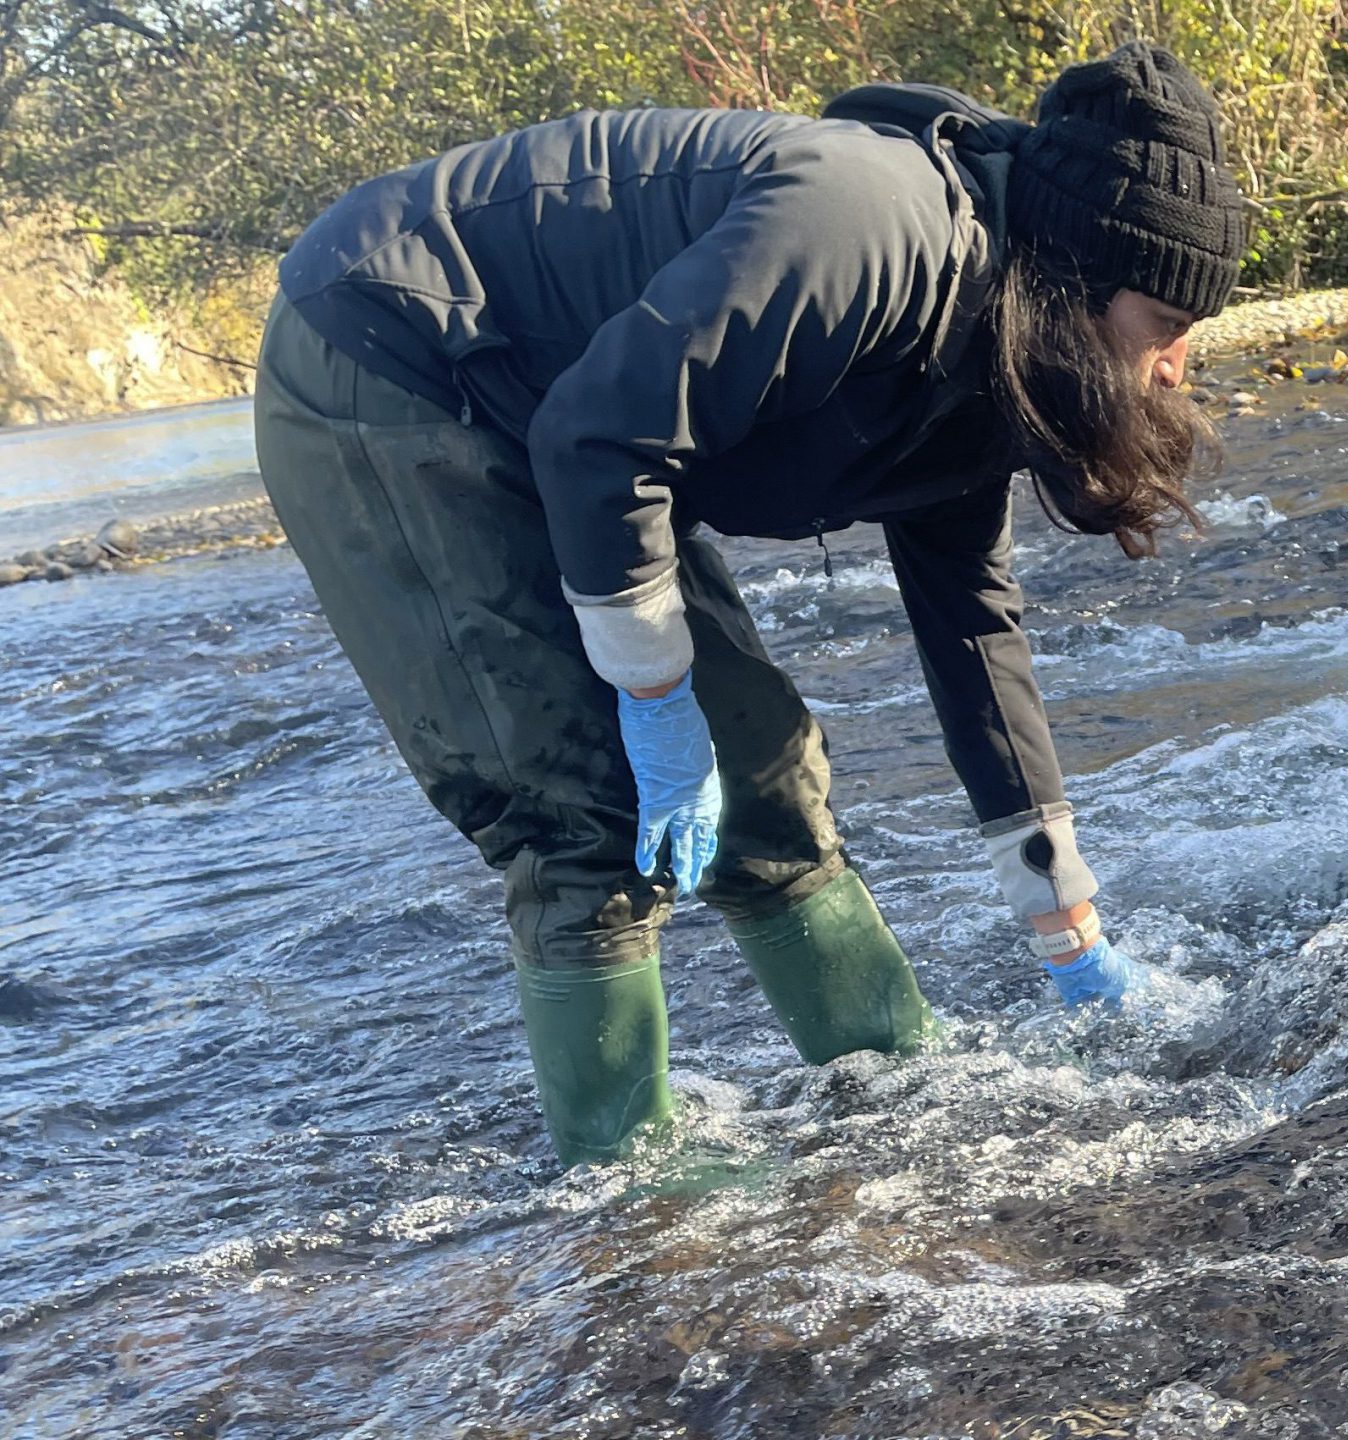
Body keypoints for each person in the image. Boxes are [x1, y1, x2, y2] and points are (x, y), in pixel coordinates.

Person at [250, 43, 1252, 1165]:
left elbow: (972, 619)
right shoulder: (866, 228)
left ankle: (898, 1095)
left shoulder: (998, 345)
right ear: (1073, 279)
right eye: (1166, 323)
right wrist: (654, 695)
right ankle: (633, 1203)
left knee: (766, 781)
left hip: (585, 424)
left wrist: (1065, 922)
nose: (1175, 367)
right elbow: (598, 441)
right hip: (397, 352)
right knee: (587, 813)